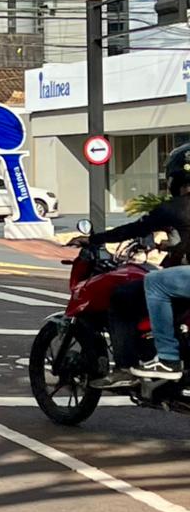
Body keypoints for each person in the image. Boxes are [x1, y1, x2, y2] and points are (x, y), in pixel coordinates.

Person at [85, 143, 190, 380]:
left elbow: (134, 229)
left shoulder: (175, 208)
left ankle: (166, 359)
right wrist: (169, 247)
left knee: (143, 287)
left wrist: (93, 239)